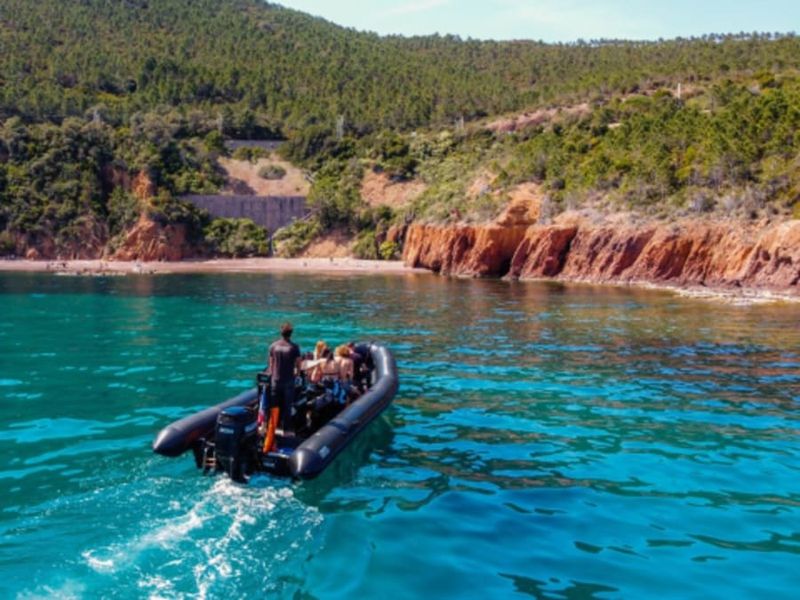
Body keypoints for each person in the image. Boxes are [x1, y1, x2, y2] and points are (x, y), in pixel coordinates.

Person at [267, 322, 302, 435]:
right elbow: (298, 364)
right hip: (288, 380)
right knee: (287, 405)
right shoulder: (294, 347)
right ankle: (286, 429)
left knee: (275, 405)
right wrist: (297, 374)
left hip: (275, 380)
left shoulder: (273, 346)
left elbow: (271, 363)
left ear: (281, 333)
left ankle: (274, 427)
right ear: (291, 334)